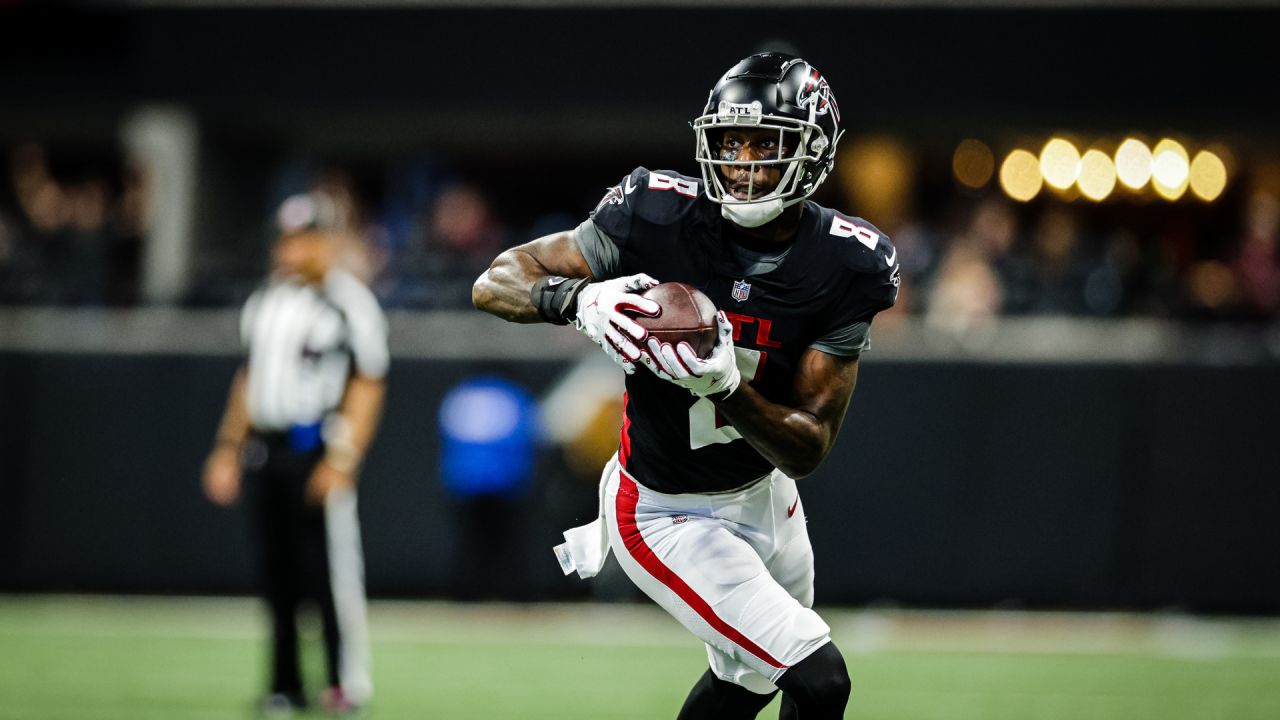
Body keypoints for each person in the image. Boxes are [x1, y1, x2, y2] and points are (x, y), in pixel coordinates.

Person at [473, 52, 899, 719]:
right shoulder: (655, 212)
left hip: (766, 492)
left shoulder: (846, 262)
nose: (743, 162)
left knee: (746, 683)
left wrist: (728, 388)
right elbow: (495, 279)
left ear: (814, 152)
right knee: (821, 678)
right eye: (730, 142)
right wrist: (577, 300)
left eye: (767, 144)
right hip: (663, 509)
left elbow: (807, 447)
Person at [202, 191, 388, 715]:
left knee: (329, 576)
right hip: (267, 449)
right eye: (287, 237)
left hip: (316, 447)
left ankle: (343, 684)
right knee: (276, 575)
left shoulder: (348, 301)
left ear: (328, 242)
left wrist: (343, 457)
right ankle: (285, 685)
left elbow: (368, 383)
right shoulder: (267, 300)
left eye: (305, 237)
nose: (293, 248)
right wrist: (227, 447)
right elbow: (249, 380)